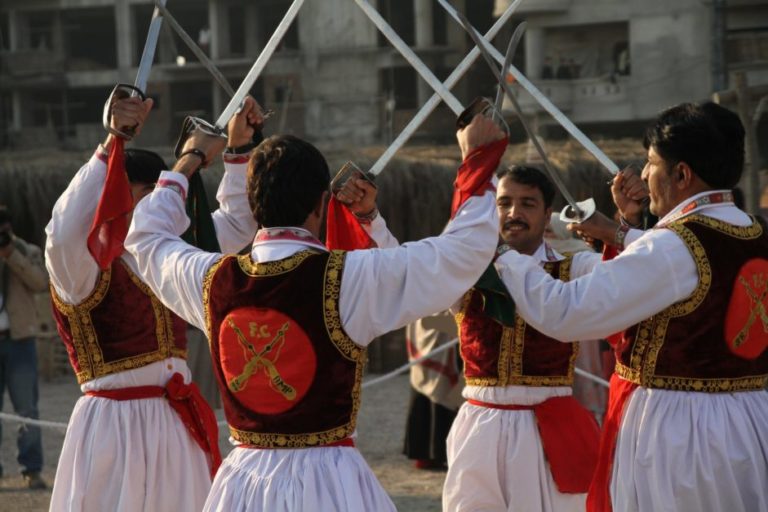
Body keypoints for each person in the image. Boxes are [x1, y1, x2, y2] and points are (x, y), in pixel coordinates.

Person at [124, 114, 504, 510]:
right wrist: (477, 159)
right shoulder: (348, 279)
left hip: (243, 486)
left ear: (254, 204)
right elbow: (463, 251)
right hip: (331, 481)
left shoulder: (210, 279)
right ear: (320, 204)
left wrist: (190, 159)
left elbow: (147, 235)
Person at [494, 102, 768, 512]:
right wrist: (619, 232)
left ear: (681, 174)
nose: (643, 174)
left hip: (680, 437)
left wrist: (504, 256)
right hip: (750, 420)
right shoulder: (754, 230)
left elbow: (566, 312)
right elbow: (688, 265)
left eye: (651, 162)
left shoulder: (674, 243)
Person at [45, 93, 260, 511]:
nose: (157, 205)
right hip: (113, 428)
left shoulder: (170, 254)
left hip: (175, 423)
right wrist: (112, 144)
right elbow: (63, 230)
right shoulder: (82, 266)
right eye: (145, 193)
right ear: (115, 195)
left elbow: (235, 225)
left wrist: (238, 150)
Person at [442, 166, 601, 512]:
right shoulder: (468, 269)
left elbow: (631, 274)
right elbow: (406, 274)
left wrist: (625, 225)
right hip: (480, 424)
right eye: (504, 203)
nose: (514, 213)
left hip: (549, 424)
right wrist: (371, 220)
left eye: (527, 203)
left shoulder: (575, 269)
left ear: (548, 214)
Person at [0, 206, 48, 489]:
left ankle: (31, 470)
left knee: (27, 410)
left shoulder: (26, 251)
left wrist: (11, 255)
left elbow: (40, 282)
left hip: (20, 341)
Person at [403, 311, 462, 470]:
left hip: (438, 329)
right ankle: (429, 454)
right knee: (429, 395)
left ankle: (435, 454)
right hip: (430, 330)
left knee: (441, 395)